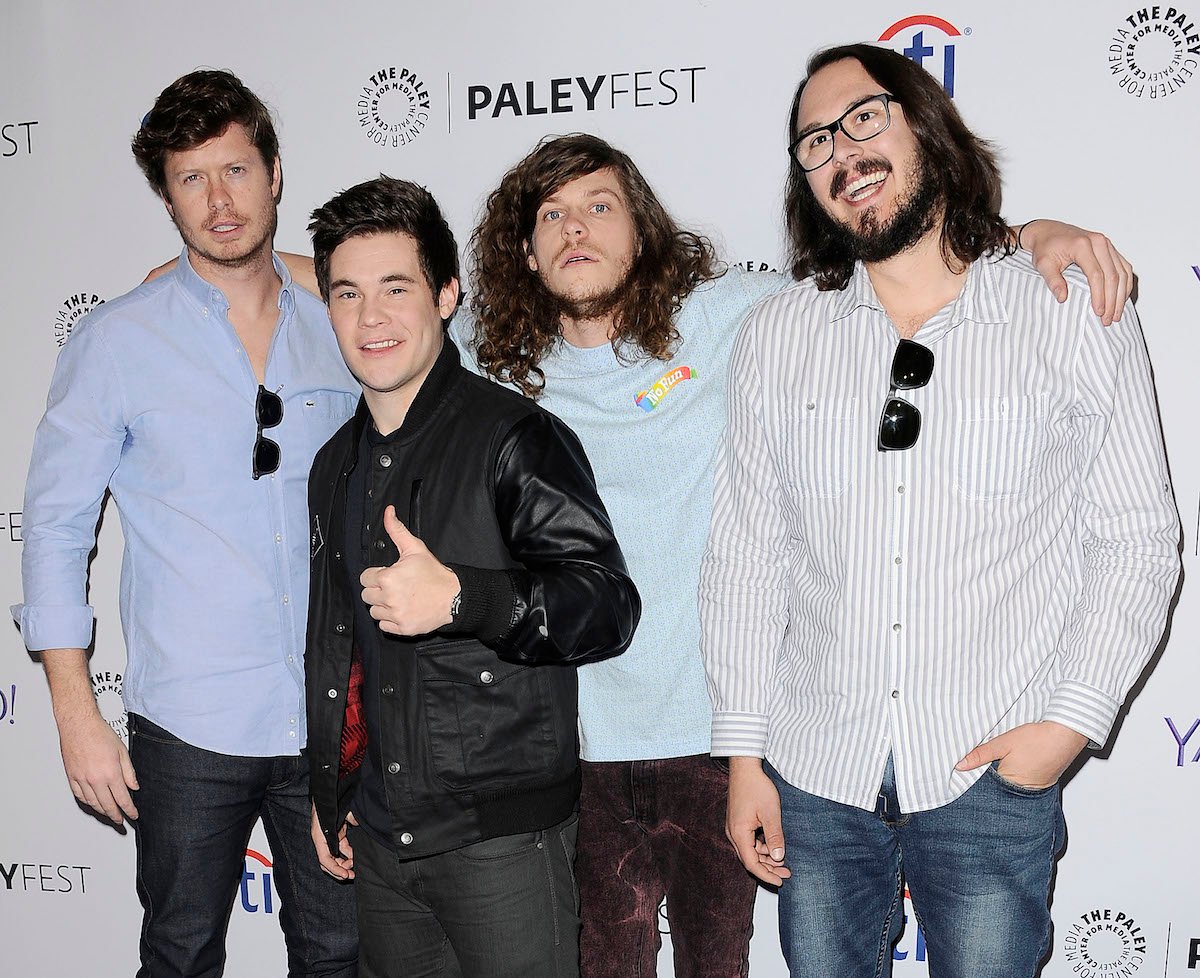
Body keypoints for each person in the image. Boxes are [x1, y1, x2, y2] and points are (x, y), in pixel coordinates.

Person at [457, 133, 1137, 978]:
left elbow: (892, 255)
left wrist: (1032, 233)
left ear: (642, 228)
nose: (575, 230)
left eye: (600, 206)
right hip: (576, 746)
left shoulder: (737, 311)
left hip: (716, 735)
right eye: (551, 215)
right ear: (522, 249)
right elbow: (380, 307)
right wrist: (247, 268)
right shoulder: (488, 363)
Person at [700, 43, 1181, 978]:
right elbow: (747, 553)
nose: (841, 149)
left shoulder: (1064, 308)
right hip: (814, 770)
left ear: (925, 121)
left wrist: (1065, 727)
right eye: (813, 142)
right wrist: (746, 758)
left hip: (988, 771)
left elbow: (1138, 539)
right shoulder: (777, 335)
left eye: (864, 118)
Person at [12, 70, 360, 977]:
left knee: (343, 956)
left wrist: (319, 274)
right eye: (191, 179)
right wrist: (74, 713)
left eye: (236, 170)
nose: (219, 200)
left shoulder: (350, 324)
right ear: (166, 196)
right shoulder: (117, 340)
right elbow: (53, 528)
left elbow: (454, 337)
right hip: (186, 723)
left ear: (276, 173)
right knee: (178, 954)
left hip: (334, 713)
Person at [303, 175, 640, 978]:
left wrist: (463, 597)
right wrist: (330, 787)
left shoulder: (515, 436)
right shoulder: (331, 468)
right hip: (380, 847)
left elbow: (606, 605)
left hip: (503, 848)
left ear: (447, 294)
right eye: (347, 294)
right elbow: (338, 649)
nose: (371, 317)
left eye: (397, 287)